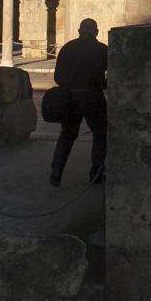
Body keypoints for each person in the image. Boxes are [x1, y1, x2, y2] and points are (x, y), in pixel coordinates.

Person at [49, 18, 108, 186]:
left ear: (79, 31)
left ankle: (56, 170)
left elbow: (58, 77)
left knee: (67, 135)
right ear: (96, 32)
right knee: (100, 134)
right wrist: (100, 84)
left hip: (70, 97)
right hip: (92, 97)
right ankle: (96, 173)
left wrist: (70, 87)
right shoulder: (102, 50)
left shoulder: (67, 48)